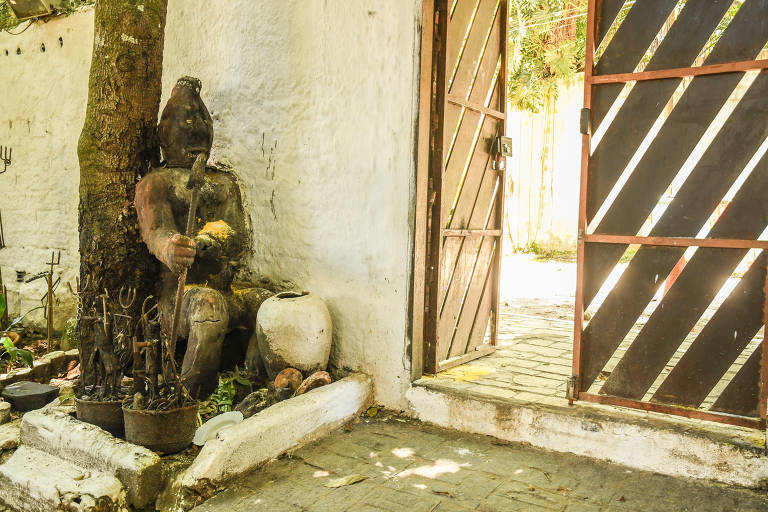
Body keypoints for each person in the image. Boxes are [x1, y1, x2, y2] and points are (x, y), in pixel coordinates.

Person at [135, 76, 270, 397]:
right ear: (165, 134)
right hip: (179, 299)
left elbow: (237, 238)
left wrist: (207, 242)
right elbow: (156, 232)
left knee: (269, 305)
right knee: (209, 309)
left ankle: (261, 381)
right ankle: (189, 396)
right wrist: (172, 247)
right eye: (188, 122)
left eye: (202, 121)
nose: (197, 131)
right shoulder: (157, 183)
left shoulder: (224, 183)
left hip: (225, 290)